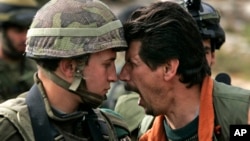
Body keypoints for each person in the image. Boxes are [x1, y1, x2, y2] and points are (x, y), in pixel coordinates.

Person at [0, 0, 131, 140]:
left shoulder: (112, 129)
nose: (113, 76)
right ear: (69, 68)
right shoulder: (8, 131)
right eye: (106, 64)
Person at [119, 1, 250, 141]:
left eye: (132, 64)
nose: (123, 75)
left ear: (168, 68)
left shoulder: (242, 115)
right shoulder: (146, 131)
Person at [0, 0, 38, 102]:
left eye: (29, 29)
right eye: (18, 30)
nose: (25, 37)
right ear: (3, 31)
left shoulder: (38, 66)